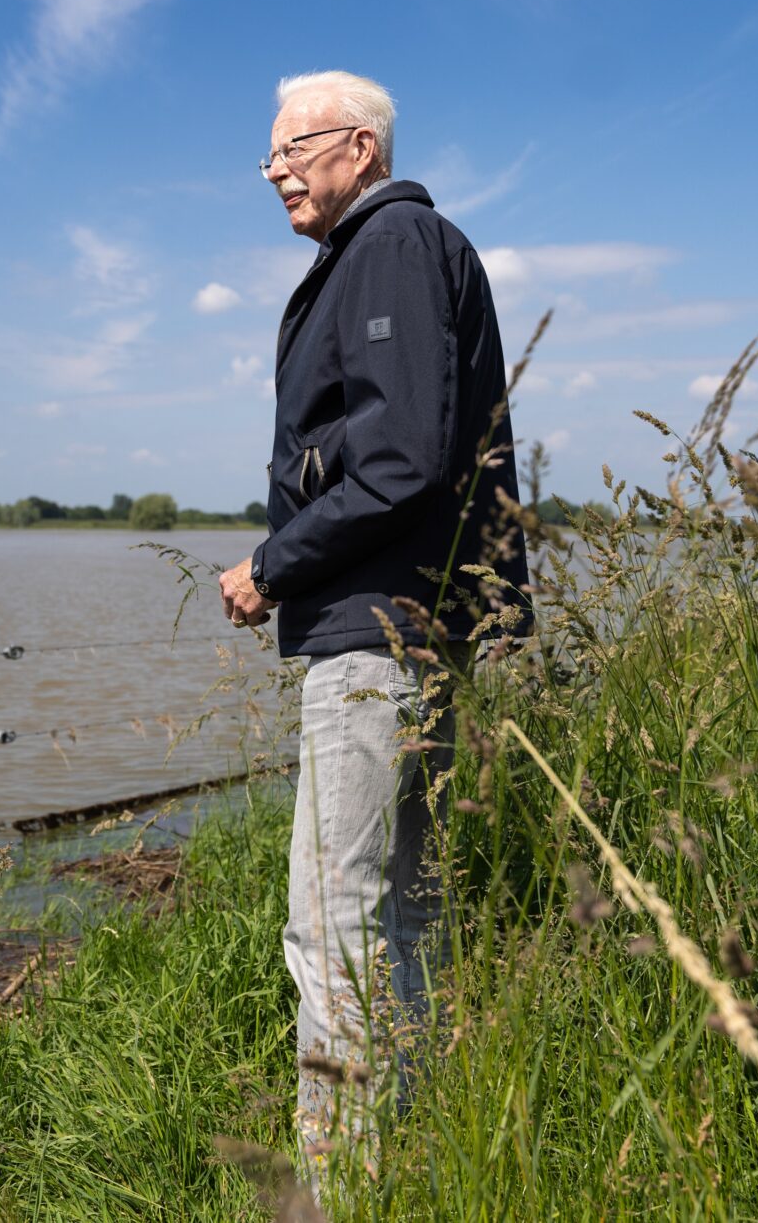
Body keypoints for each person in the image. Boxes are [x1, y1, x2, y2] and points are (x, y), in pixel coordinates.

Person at [217, 70, 529, 1177]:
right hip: (410, 628)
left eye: (288, 151)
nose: (273, 173)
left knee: (331, 916)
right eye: (267, 158)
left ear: (358, 146)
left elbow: (398, 460)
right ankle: (418, 1153)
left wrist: (271, 562)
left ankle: (336, 1181)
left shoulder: (392, 245)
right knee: (403, 911)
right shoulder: (391, 250)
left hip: (371, 634)